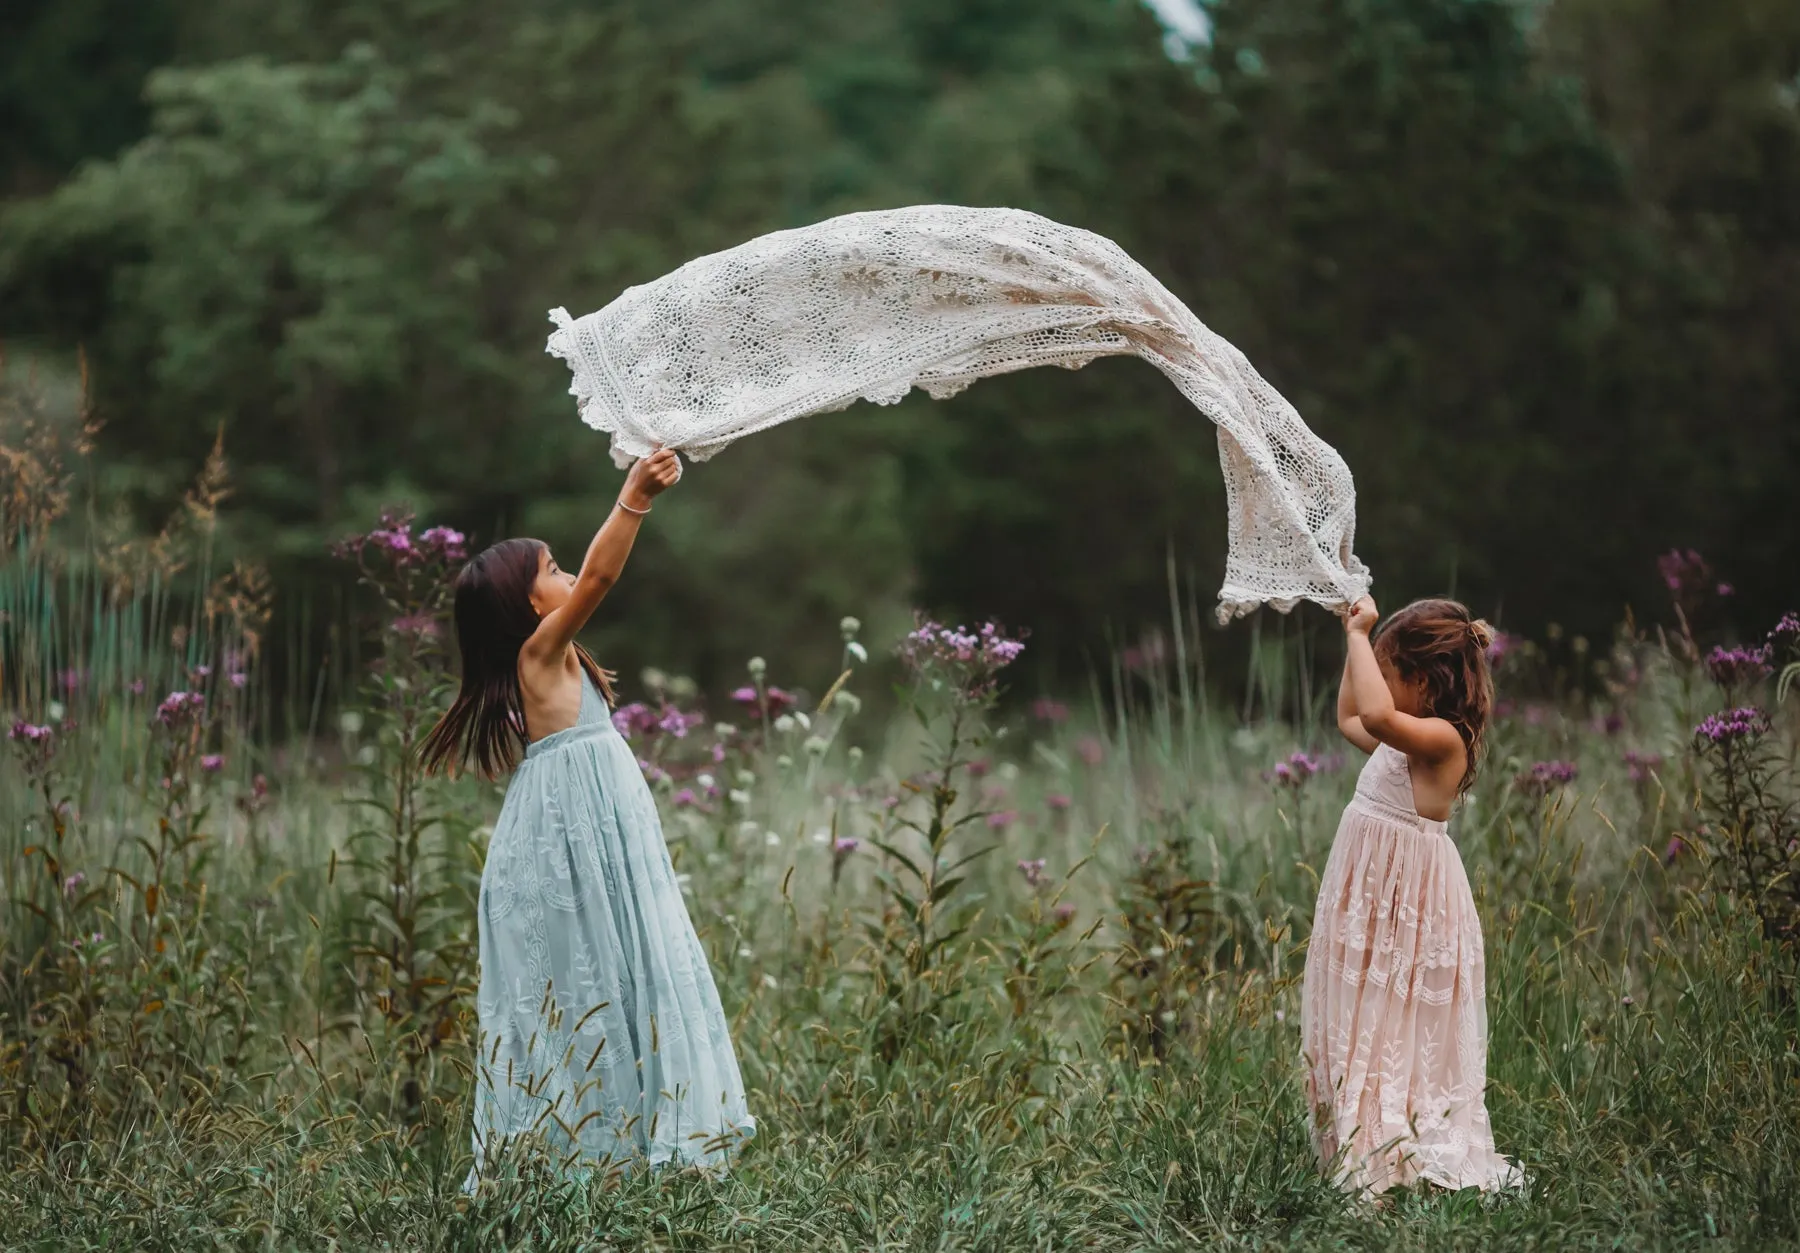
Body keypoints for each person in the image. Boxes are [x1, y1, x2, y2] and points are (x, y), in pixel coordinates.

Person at [421, 448, 754, 1186]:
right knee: (585, 982)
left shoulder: (560, 657)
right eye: (553, 570)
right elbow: (604, 575)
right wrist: (633, 496)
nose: (570, 576)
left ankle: (628, 1148)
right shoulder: (538, 654)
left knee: (626, 964)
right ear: (529, 605)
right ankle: (579, 1154)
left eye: (563, 565)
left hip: (594, 831)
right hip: (565, 841)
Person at [1301, 595, 1522, 1196]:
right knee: (1362, 1013)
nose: (1380, 681)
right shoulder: (1404, 737)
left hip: (1412, 901)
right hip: (1375, 896)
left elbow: (1373, 717)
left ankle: (1397, 1147)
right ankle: (1359, 1138)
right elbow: (1352, 718)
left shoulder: (1442, 739)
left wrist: (1358, 636)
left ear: (1421, 683)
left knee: (1394, 1021)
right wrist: (1356, 642)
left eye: (1388, 671)